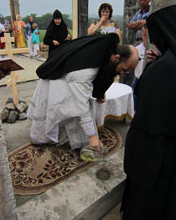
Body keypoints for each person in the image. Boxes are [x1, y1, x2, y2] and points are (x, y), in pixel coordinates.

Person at [27, 33, 139, 162]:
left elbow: (103, 72)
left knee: (76, 109)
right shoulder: (86, 71)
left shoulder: (106, 50)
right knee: (71, 109)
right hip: (55, 82)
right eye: (124, 69)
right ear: (117, 57)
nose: (122, 73)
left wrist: (99, 92)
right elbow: (81, 106)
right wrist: (93, 137)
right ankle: (50, 137)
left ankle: (73, 137)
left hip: (69, 78)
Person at [121, 5, 176, 220]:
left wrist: (153, 68)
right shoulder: (166, 61)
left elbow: (145, 100)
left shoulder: (166, 67)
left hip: (157, 152)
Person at [133, 25, 148, 109]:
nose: (146, 38)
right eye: (145, 35)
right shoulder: (137, 49)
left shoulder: (157, 50)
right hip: (138, 79)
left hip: (150, 80)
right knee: (135, 98)